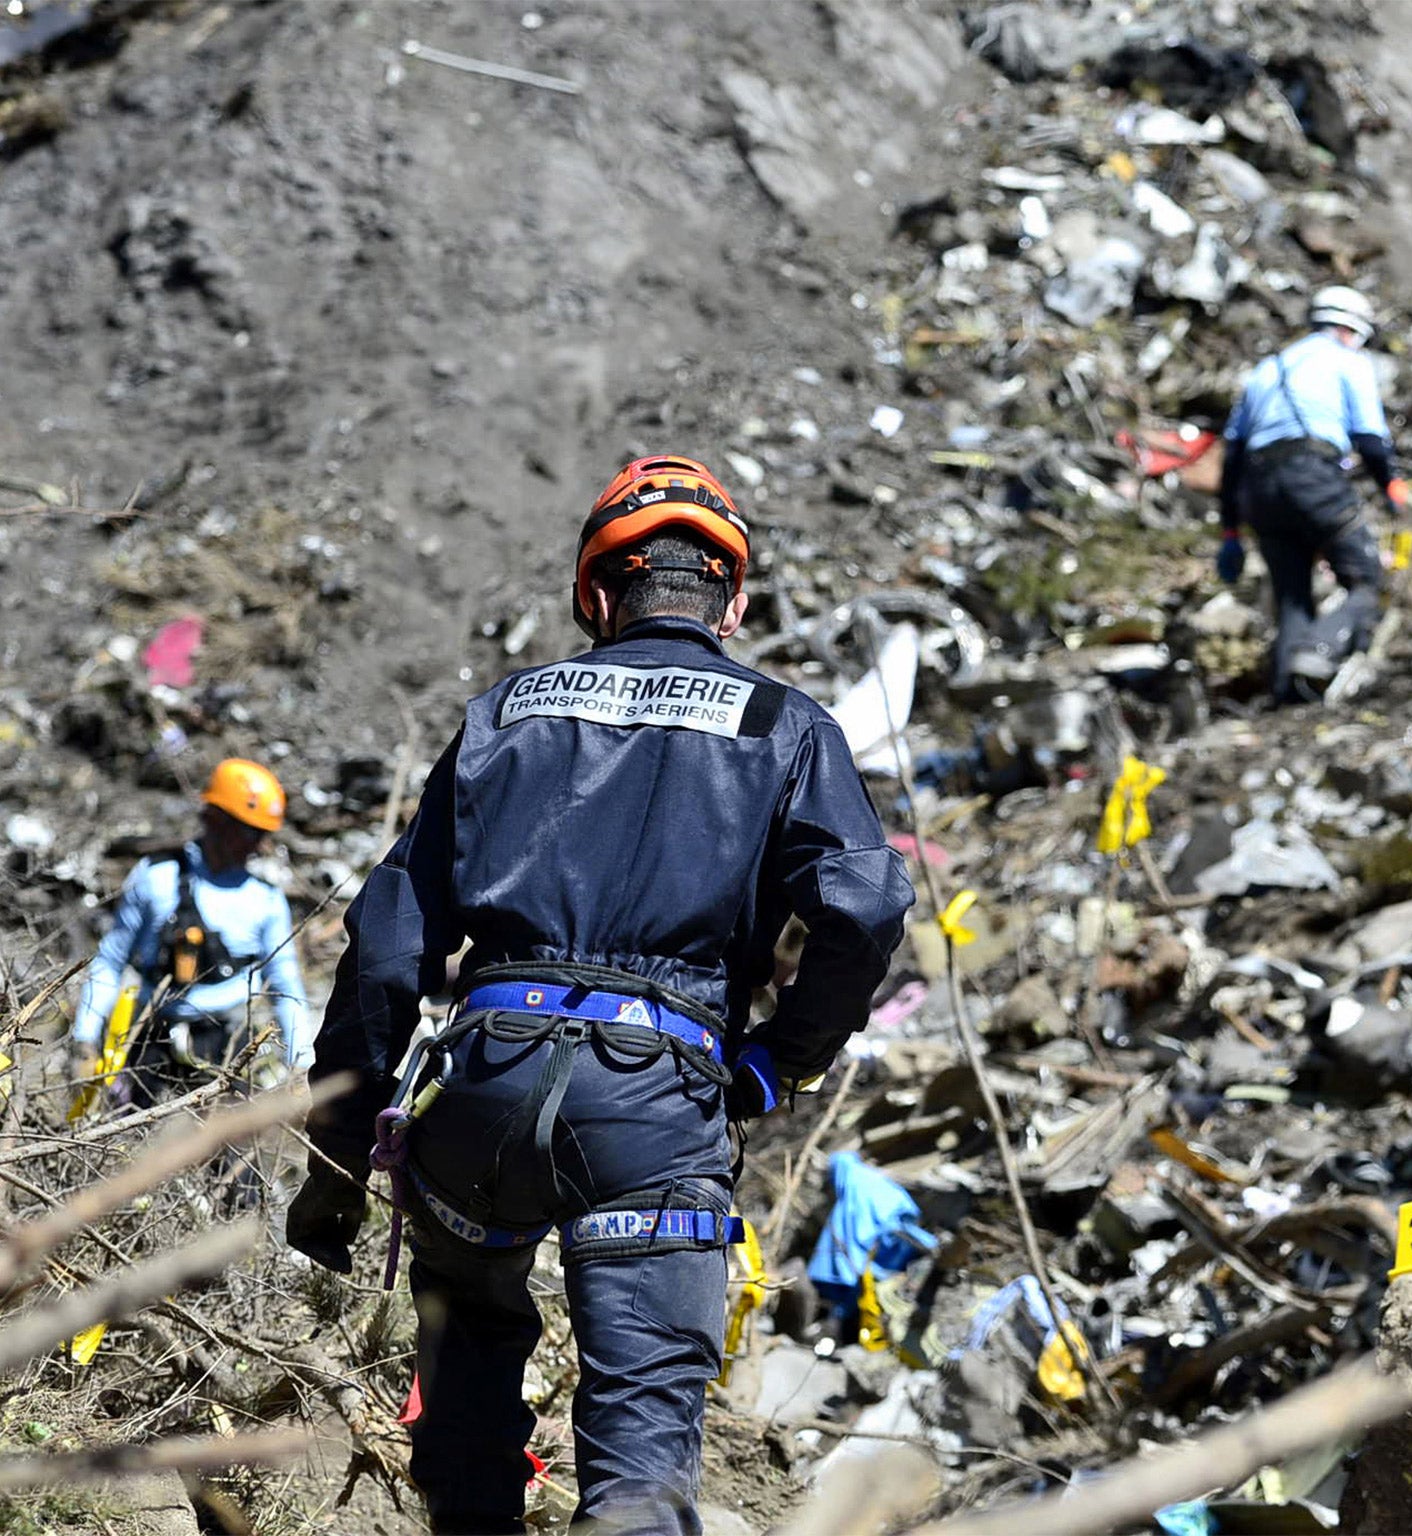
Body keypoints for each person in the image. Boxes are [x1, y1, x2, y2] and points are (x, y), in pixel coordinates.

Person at [285, 455, 914, 1536]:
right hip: (653, 1106)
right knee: (635, 1473)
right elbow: (862, 910)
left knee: (466, 1439)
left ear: (594, 593)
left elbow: (388, 946)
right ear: (734, 599)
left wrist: (337, 1163)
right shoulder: (784, 725)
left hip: (478, 1088)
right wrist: (778, 1060)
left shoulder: (504, 714)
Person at [69, 757, 308, 1103]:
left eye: (263, 834)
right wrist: (84, 1040)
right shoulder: (156, 877)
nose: (257, 845)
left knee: (228, 1153)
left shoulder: (266, 900)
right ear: (215, 818)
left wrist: (300, 1065)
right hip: (152, 1039)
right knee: (137, 1144)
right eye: (249, 831)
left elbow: (286, 985)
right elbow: (111, 959)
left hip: (228, 1045)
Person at [1215, 284, 1410, 701]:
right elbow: (1370, 437)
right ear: (1349, 329)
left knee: (1292, 599)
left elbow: (1230, 461)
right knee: (1365, 579)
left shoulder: (1266, 369)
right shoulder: (1346, 360)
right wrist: (1390, 484)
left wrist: (1230, 533)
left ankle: (1289, 695)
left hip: (1258, 490)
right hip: (1310, 474)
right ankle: (1319, 651)